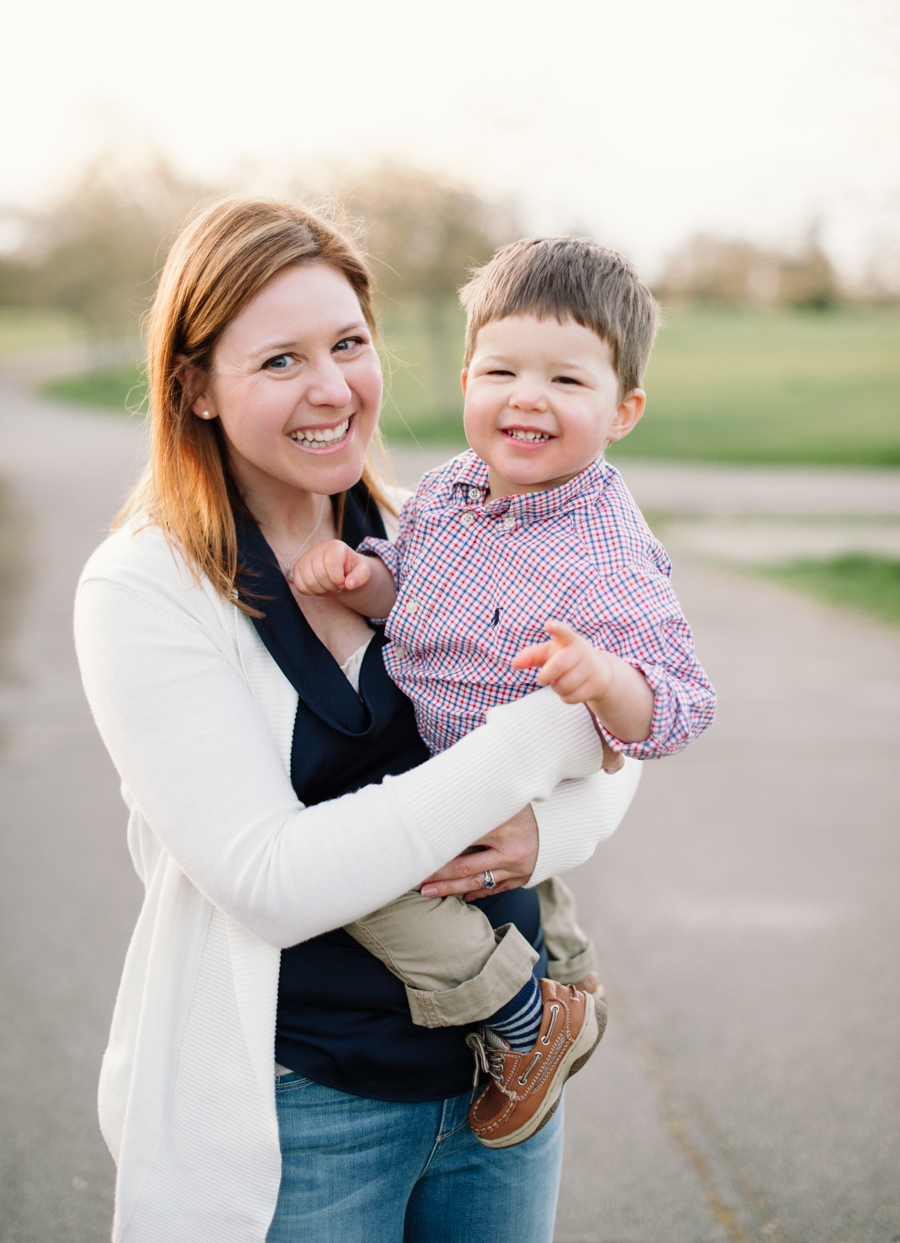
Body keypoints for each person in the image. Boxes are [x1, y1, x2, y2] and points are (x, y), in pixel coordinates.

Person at [73, 199, 641, 1243]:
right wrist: (542, 738)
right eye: (280, 361)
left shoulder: (445, 524)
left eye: (347, 344)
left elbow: (623, 736)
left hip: (502, 1092)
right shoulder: (145, 588)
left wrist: (542, 832)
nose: (332, 389)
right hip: (302, 1110)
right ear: (194, 386)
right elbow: (272, 881)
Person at [292, 236, 717, 1148]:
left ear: (624, 409)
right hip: (445, 754)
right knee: (531, 896)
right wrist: (357, 579)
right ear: (465, 381)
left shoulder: (608, 550)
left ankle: (522, 1020)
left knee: (360, 874)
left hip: (494, 780)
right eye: (502, 370)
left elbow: (681, 705)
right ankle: (568, 975)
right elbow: (411, 595)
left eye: (566, 381)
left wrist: (606, 680)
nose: (527, 396)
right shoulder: (444, 491)